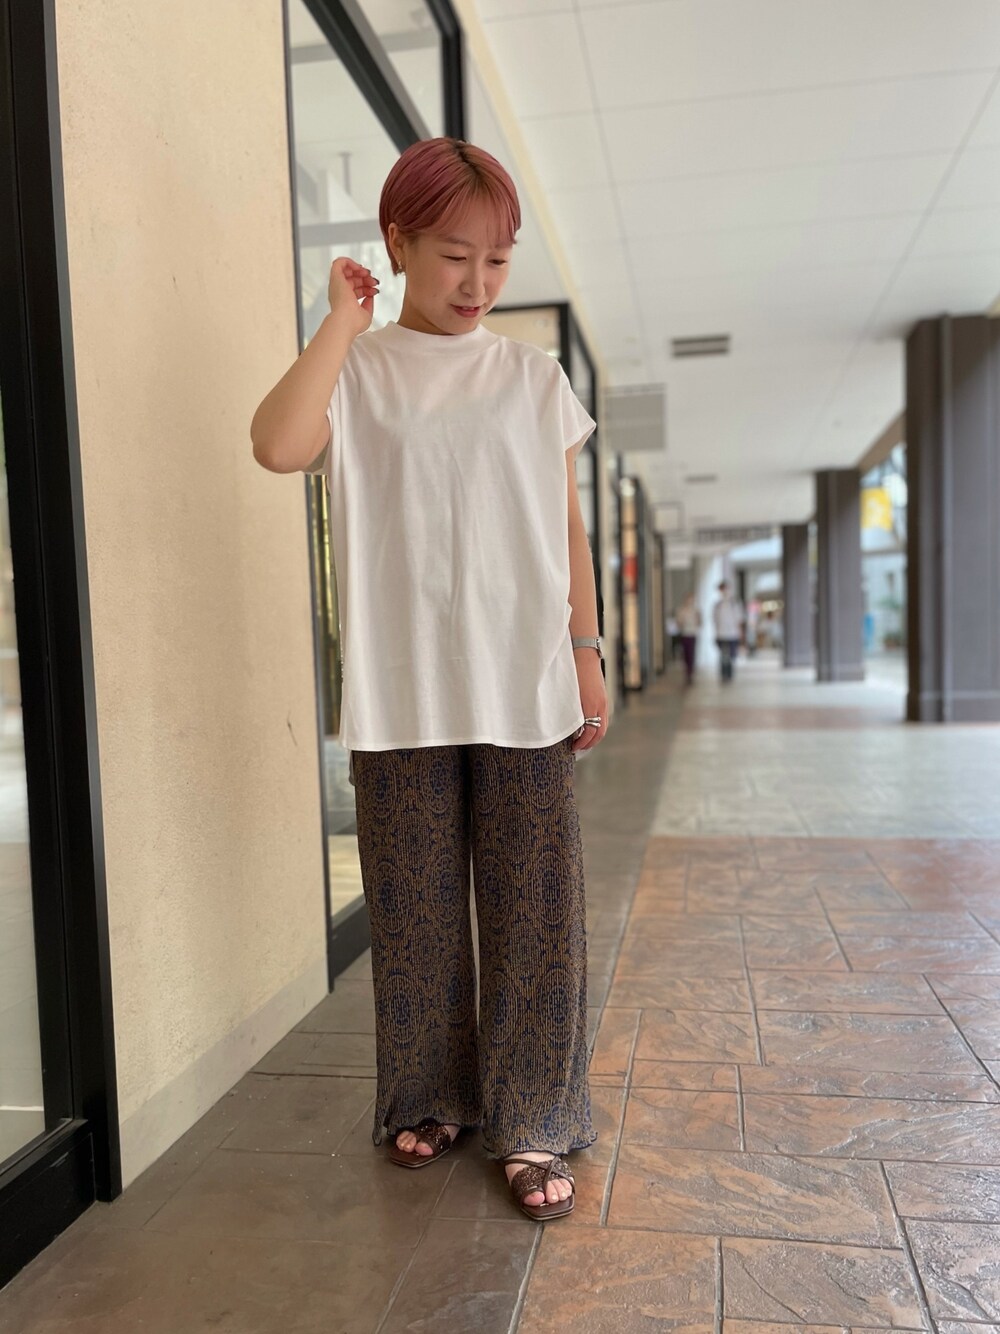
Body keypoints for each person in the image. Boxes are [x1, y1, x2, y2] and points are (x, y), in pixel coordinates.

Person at [251, 138, 605, 1222]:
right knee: (413, 914)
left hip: (525, 681)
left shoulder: (533, 378)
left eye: (497, 259)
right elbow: (277, 445)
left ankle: (535, 1115)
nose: (476, 282)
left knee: (536, 913)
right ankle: (430, 1095)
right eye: (454, 254)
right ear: (397, 242)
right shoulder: (356, 371)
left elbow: (566, 528)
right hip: (401, 687)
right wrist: (339, 321)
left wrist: (587, 651)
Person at [712, 580, 744, 683]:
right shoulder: (717, 605)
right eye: (722, 589)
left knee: (731, 656)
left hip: (732, 634)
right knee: (723, 656)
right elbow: (715, 621)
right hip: (721, 634)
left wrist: (740, 633)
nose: (724, 592)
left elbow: (739, 619)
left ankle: (730, 673)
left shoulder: (734, 604)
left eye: (725, 589)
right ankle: (724, 674)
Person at [675, 592, 701, 685]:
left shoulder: (696, 611)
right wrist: (682, 623)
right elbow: (678, 622)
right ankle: (687, 670)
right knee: (685, 653)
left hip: (692, 634)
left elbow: (699, 622)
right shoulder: (681, 610)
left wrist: (697, 619)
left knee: (691, 653)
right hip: (684, 634)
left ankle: (690, 671)